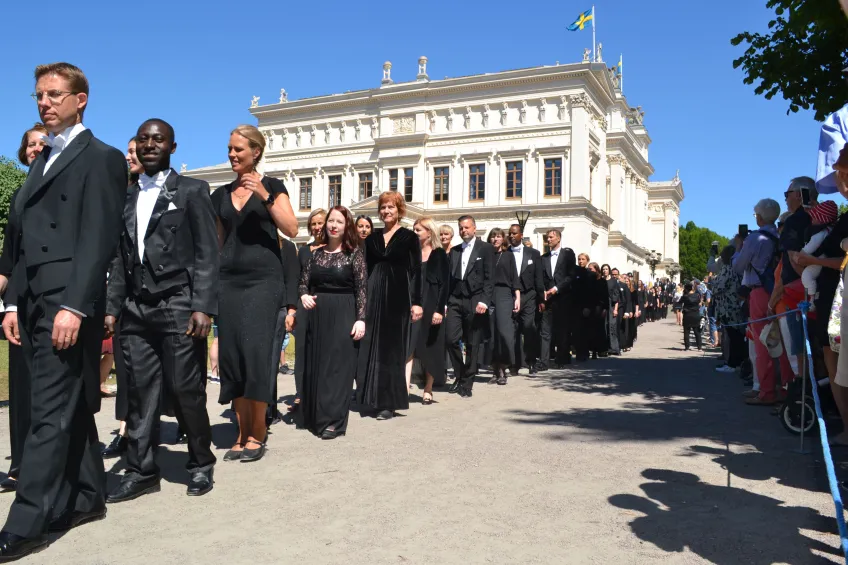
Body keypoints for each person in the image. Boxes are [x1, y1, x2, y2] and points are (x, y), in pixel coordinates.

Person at [0, 62, 126, 560]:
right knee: (66, 406)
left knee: (45, 413)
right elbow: (24, 243)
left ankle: (26, 521)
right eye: (38, 95)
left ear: (82, 99)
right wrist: (12, 301)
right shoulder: (42, 159)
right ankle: (90, 496)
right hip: (33, 300)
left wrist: (75, 306)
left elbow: (98, 239)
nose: (44, 103)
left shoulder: (102, 158)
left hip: (67, 304)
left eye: (54, 94)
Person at [104, 119, 218, 502]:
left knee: (186, 388)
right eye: (143, 139)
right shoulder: (126, 195)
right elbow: (120, 258)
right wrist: (112, 306)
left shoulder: (191, 191)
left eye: (158, 139)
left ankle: (201, 461)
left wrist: (203, 305)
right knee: (138, 391)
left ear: (173, 146)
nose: (149, 145)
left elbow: (207, 253)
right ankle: (141, 470)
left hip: (178, 304)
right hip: (135, 308)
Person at [211, 124, 298, 462]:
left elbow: (291, 228)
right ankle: (240, 429)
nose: (232, 154)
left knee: (256, 355)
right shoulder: (218, 195)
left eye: (239, 150)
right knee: (233, 355)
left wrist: (264, 194)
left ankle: (257, 431)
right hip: (229, 282)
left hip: (263, 282)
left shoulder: (274, 187)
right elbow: (218, 244)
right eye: (230, 149)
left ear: (256, 152)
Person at [0, 123, 48, 493]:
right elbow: (9, 258)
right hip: (19, 300)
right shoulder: (18, 195)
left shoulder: (63, 189)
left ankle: (53, 463)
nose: (36, 149)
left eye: (42, 143)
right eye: (30, 144)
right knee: (21, 386)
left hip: (56, 300)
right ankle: (20, 464)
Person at [299, 206, 366, 439]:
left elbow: (362, 289)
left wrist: (361, 320)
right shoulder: (315, 254)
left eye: (339, 221)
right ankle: (317, 415)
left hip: (344, 312)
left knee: (338, 367)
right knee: (318, 363)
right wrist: (303, 295)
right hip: (318, 316)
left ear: (346, 226)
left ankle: (334, 421)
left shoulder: (354, 254)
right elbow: (303, 283)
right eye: (330, 221)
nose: (333, 225)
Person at [357, 191, 423, 419]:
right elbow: (364, 270)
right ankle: (371, 397)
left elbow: (416, 272)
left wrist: (417, 302)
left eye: (391, 207)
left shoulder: (409, 237)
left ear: (399, 210)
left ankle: (389, 402)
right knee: (372, 346)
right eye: (383, 207)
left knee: (392, 349)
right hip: (374, 295)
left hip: (398, 296)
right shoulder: (372, 238)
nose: (386, 211)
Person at [102, 135, 145, 460]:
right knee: (127, 367)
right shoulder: (121, 197)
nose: (131, 156)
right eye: (129, 151)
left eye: (136, 151)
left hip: (158, 300)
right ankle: (124, 429)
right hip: (125, 297)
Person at [733, 198, 794, 406]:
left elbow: (738, 266)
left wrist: (740, 248)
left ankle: (766, 390)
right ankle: (786, 387)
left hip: (759, 292)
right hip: (779, 289)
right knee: (784, 341)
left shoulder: (755, 238)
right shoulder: (779, 235)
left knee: (762, 342)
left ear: (759, 216)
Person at [445, 215, 494, 398]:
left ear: (474, 228)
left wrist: (484, 301)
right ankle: (460, 373)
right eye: (461, 228)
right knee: (450, 339)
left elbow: (490, 278)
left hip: (475, 299)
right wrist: (444, 303)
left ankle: (468, 383)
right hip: (456, 299)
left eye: (466, 227)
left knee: (473, 343)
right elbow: (450, 278)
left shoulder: (486, 249)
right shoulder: (455, 251)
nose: (463, 230)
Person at [291, 208, 326, 413]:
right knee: (302, 352)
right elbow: (297, 279)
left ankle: (320, 395)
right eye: (313, 223)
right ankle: (300, 394)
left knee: (323, 352)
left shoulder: (335, 248)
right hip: (305, 305)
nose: (317, 227)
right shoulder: (304, 251)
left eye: (320, 222)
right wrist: (293, 310)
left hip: (327, 304)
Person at [411, 217, 450, 403]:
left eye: (418, 230)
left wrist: (439, 311)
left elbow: (444, 285)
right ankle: (404, 387)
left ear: (429, 232)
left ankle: (428, 387)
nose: (415, 233)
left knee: (431, 346)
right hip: (413, 303)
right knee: (410, 345)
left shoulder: (439, 254)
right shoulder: (412, 254)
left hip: (432, 303)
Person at [507, 224, 543, 376]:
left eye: (514, 233)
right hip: (509, 295)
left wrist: (541, 298)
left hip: (528, 295)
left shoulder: (533, 253)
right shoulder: (505, 252)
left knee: (529, 328)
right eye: (510, 234)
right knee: (513, 330)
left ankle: (531, 362)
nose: (511, 236)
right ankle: (514, 364)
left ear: (521, 235)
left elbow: (538, 277)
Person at [486, 228, 520, 385]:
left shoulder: (508, 255)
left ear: (503, 239)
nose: (495, 239)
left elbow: (514, 278)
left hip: (505, 294)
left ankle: (504, 368)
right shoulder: (486, 255)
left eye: (498, 236)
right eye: (493, 236)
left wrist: (517, 298)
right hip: (487, 294)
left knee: (503, 332)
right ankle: (495, 370)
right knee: (491, 334)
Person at [538, 230, 576, 369]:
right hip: (547, 299)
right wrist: (542, 294)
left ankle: (561, 358)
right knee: (545, 331)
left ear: (558, 238)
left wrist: (557, 288)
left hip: (563, 298)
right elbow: (540, 277)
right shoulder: (543, 258)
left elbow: (570, 276)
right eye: (547, 237)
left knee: (561, 330)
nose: (548, 239)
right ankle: (544, 361)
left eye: (551, 237)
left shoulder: (567, 255)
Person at [571, 253, 594, 362]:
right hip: (575, 305)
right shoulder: (574, 272)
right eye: (579, 259)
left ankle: (584, 352)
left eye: (583, 259)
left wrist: (588, 307)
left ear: (587, 260)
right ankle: (578, 351)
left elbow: (592, 293)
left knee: (585, 330)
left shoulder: (590, 275)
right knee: (576, 330)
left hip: (586, 306)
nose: (580, 261)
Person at [586, 262, 610, 359]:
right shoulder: (587, 280)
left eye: (591, 269)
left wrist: (605, 308)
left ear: (596, 270)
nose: (589, 271)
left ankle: (599, 350)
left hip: (599, 308)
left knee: (598, 329)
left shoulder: (602, 281)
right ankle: (590, 349)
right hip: (589, 307)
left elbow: (605, 296)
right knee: (589, 329)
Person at [601, 264, 621, 355]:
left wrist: (616, 309)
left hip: (611, 305)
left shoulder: (613, 281)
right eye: (603, 269)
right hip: (602, 305)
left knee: (612, 326)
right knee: (603, 326)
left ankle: (614, 348)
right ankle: (604, 347)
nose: (605, 270)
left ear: (609, 270)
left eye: (606, 269)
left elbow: (617, 297)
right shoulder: (600, 281)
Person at [679, 283, 702, 350]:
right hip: (695, 314)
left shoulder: (685, 296)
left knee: (686, 332)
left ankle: (687, 347)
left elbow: (680, 302)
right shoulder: (697, 295)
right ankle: (699, 347)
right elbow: (699, 302)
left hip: (687, 315)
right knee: (697, 332)